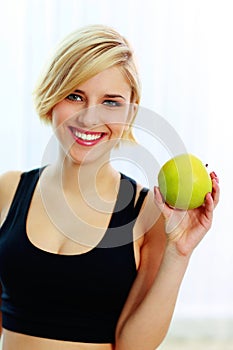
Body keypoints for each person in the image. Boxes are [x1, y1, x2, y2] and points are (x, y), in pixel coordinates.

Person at [0, 24, 219, 350]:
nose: (89, 119)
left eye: (111, 102)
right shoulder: (9, 188)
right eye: (75, 96)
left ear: (132, 110)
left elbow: (132, 345)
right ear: (52, 95)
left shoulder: (149, 212)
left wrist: (179, 253)